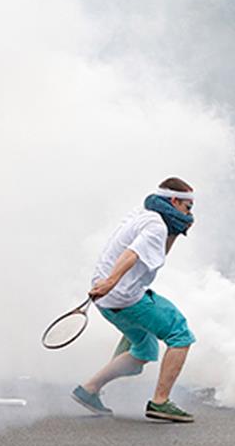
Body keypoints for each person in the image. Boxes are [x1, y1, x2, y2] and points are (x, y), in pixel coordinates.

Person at [72, 178, 197, 423]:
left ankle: (88, 390)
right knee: (180, 333)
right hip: (122, 296)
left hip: (109, 301)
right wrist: (110, 282)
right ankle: (160, 402)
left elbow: (157, 257)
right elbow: (132, 254)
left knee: (144, 350)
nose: (190, 213)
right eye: (187, 207)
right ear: (173, 201)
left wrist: (176, 231)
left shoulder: (145, 216)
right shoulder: (156, 227)